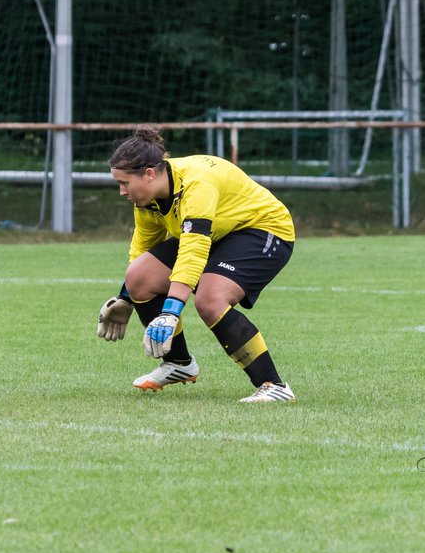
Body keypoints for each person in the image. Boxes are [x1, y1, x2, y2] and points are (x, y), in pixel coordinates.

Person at [96, 126, 297, 403]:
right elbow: (143, 251)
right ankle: (178, 364)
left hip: (262, 229)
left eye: (124, 183)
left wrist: (170, 311)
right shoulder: (148, 198)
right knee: (139, 276)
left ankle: (274, 385)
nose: (121, 191)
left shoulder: (196, 185)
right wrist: (126, 297)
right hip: (216, 232)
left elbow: (193, 251)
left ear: (149, 174)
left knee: (210, 299)